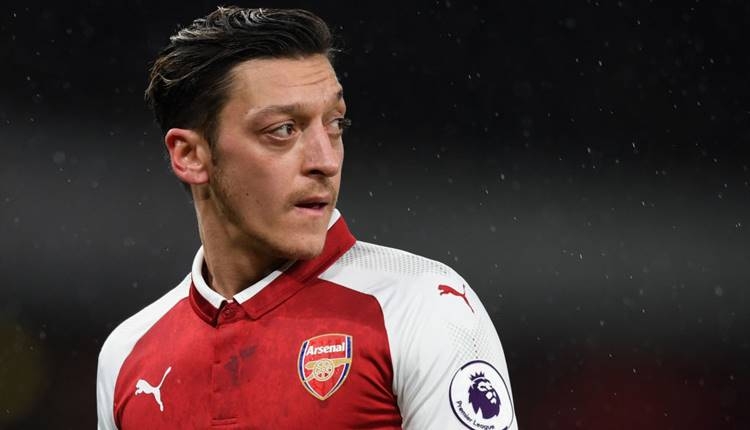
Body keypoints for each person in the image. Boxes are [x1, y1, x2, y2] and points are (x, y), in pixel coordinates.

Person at [96, 6, 517, 430]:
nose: (326, 161)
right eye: (283, 129)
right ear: (190, 155)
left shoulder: (424, 307)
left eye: (335, 124)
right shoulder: (126, 356)